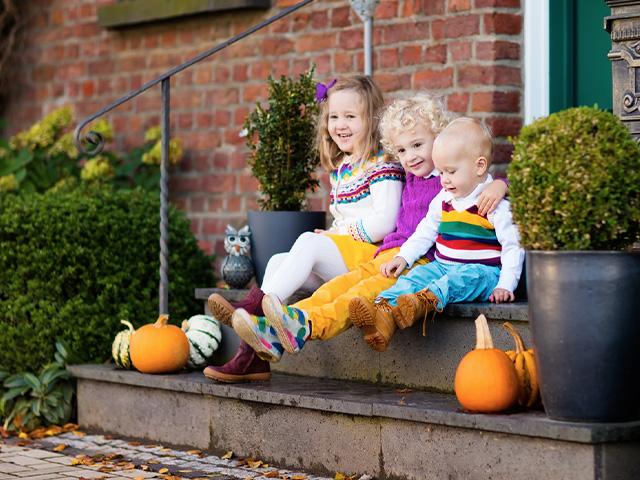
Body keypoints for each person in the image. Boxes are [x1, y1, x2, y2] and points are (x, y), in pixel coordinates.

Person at [225, 97, 509, 366]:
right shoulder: (412, 176)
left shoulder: (448, 181)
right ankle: (283, 327)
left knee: (358, 294)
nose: (410, 156)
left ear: (439, 142)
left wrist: (501, 184)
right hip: (387, 255)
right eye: (402, 150)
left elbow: (477, 176)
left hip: (417, 262)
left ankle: (307, 325)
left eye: (418, 145)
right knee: (341, 285)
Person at [204, 76, 405, 382]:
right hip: (348, 259)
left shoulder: (383, 165)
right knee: (276, 262)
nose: (341, 124)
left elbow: (384, 223)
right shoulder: (343, 169)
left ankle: (251, 309)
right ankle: (252, 360)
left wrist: (338, 235)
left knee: (309, 243)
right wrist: (336, 236)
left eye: (351, 116)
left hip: (373, 263)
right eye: (334, 116)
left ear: (372, 119)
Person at [349, 117, 525, 339]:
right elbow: (425, 231)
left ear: (479, 166)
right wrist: (404, 257)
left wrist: (506, 285)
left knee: (457, 282)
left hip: (484, 272)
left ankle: (421, 304)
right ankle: (381, 310)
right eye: (441, 172)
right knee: (416, 276)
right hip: (443, 265)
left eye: (451, 172)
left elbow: (513, 246)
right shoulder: (444, 198)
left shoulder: (493, 203)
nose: (444, 180)